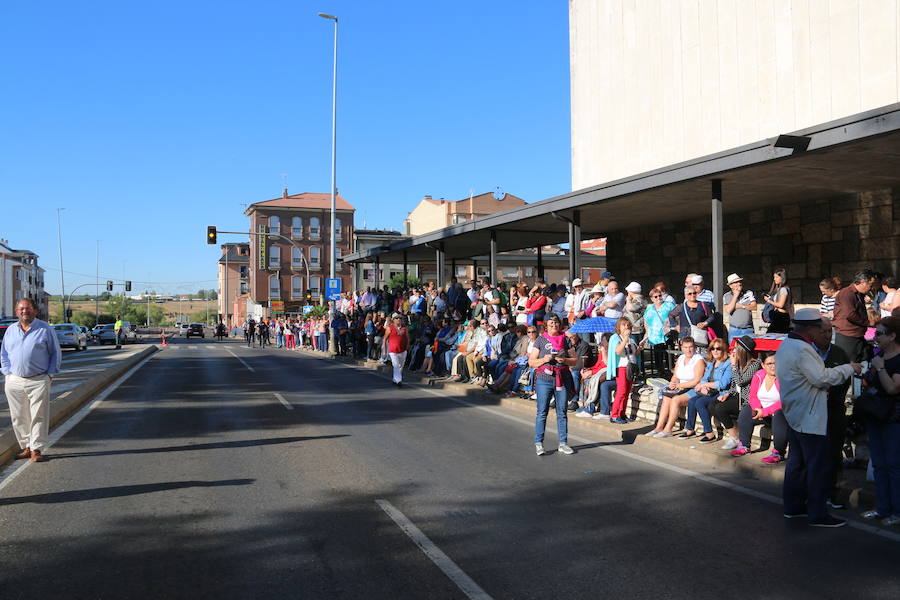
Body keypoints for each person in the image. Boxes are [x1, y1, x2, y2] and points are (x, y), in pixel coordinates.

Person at [776, 308, 860, 528]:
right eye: (819, 329)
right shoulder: (803, 349)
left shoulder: (787, 345)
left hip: (796, 413)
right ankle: (818, 513)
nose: (824, 333)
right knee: (817, 466)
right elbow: (821, 378)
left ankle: (794, 508)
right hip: (810, 415)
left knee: (797, 463)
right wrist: (848, 368)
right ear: (811, 329)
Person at [0, 298, 61, 463]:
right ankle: (26, 446)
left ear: (35, 311)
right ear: (16, 311)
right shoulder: (11, 330)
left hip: (38, 379)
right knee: (18, 416)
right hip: (14, 380)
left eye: (27, 308)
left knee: (38, 416)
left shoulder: (45, 329)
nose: (24, 311)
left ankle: (36, 449)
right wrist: (7, 373)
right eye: (21, 309)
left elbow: (55, 352)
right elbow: (4, 353)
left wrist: (49, 375)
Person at [859, 316, 900, 526]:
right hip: (875, 415)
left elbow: (893, 388)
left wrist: (881, 367)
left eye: (880, 333)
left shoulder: (895, 359)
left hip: (893, 418)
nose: (875, 338)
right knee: (880, 464)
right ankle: (882, 508)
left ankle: (896, 511)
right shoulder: (879, 355)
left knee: (894, 465)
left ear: (893, 336)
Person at [529, 315, 577, 456]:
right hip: (544, 379)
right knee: (542, 412)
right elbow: (531, 361)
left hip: (561, 378)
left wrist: (565, 360)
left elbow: (575, 361)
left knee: (562, 412)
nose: (554, 325)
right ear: (546, 326)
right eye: (551, 323)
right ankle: (539, 443)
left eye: (556, 323)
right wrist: (544, 359)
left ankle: (563, 443)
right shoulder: (541, 339)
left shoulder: (566, 339)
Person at [730, 352, 789, 463]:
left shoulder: (784, 377)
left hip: (780, 415)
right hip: (763, 413)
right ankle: (744, 446)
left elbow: (785, 401)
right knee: (746, 409)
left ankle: (778, 452)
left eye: (776, 363)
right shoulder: (759, 375)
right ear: (763, 365)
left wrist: (765, 412)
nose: (773, 366)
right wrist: (757, 409)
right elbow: (752, 396)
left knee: (779, 414)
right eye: (769, 363)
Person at [646, 336, 705, 437]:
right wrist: (673, 383)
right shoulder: (681, 358)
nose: (688, 350)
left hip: (694, 389)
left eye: (690, 347)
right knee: (666, 397)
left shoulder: (698, 360)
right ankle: (659, 427)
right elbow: (675, 376)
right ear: (682, 348)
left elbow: (696, 381)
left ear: (694, 347)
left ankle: (668, 429)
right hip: (680, 387)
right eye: (685, 347)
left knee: (676, 400)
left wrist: (679, 385)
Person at [712, 336, 761, 449]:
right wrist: (727, 394)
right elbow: (735, 385)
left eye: (735, 349)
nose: (732, 351)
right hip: (736, 395)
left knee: (721, 408)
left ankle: (734, 437)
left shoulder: (755, 364)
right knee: (712, 405)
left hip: (746, 399)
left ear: (742, 351)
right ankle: (734, 432)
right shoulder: (739, 363)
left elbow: (741, 381)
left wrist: (733, 366)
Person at [682, 339, 732, 441]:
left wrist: (704, 384)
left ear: (723, 350)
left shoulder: (728, 364)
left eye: (718, 348)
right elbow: (704, 378)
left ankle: (709, 433)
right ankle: (690, 429)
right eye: (712, 349)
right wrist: (703, 386)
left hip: (721, 393)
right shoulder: (711, 363)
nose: (715, 351)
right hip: (710, 391)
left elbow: (723, 384)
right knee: (691, 401)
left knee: (699, 402)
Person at [832, 269, 875, 363]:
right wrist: (868, 323)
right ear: (863, 282)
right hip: (847, 336)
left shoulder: (859, 294)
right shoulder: (847, 293)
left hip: (857, 335)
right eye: (870, 285)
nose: (871, 288)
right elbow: (850, 314)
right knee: (848, 366)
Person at [608, 318, 640, 424]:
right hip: (621, 367)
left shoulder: (632, 339)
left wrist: (639, 348)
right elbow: (618, 351)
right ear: (619, 327)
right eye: (623, 325)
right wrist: (625, 339)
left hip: (630, 367)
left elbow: (634, 353)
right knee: (621, 392)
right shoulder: (615, 337)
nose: (626, 327)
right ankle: (614, 414)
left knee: (627, 392)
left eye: (628, 325)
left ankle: (622, 413)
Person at [642, 286, 676, 377]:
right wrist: (648, 332)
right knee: (658, 356)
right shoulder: (649, 308)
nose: (658, 298)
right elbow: (645, 320)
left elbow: (676, 316)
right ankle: (661, 373)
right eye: (655, 297)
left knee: (669, 355)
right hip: (655, 336)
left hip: (667, 334)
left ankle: (671, 373)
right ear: (652, 299)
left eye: (660, 295)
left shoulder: (669, 305)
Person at [722, 273, 756, 339]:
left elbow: (754, 307)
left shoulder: (749, 293)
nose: (739, 284)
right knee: (733, 349)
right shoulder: (726, 296)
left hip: (748, 329)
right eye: (736, 282)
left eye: (739, 281)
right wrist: (735, 295)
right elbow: (728, 310)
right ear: (731, 286)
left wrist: (742, 306)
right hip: (734, 330)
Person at [763, 267, 793, 334]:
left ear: (781, 277)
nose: (774, 279)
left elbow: (781, 305)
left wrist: (769, 300)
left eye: (776, 277)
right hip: (778, 316)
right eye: (774, 277)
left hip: (781, 317)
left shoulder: (783, 289)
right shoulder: (779, 289)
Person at [385, 314, 409, 387]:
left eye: (400, 318)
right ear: (393, 319)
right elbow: (385, 339)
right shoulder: (390, 328)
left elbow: (407, 338)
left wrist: (408, 346)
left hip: (402, 350)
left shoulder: (404, 328)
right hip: (393, 350)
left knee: (401, 366)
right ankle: (399, 380)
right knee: (395, 365)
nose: (398, 319)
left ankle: (395, 379)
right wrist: (384, 350)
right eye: (396, 318)